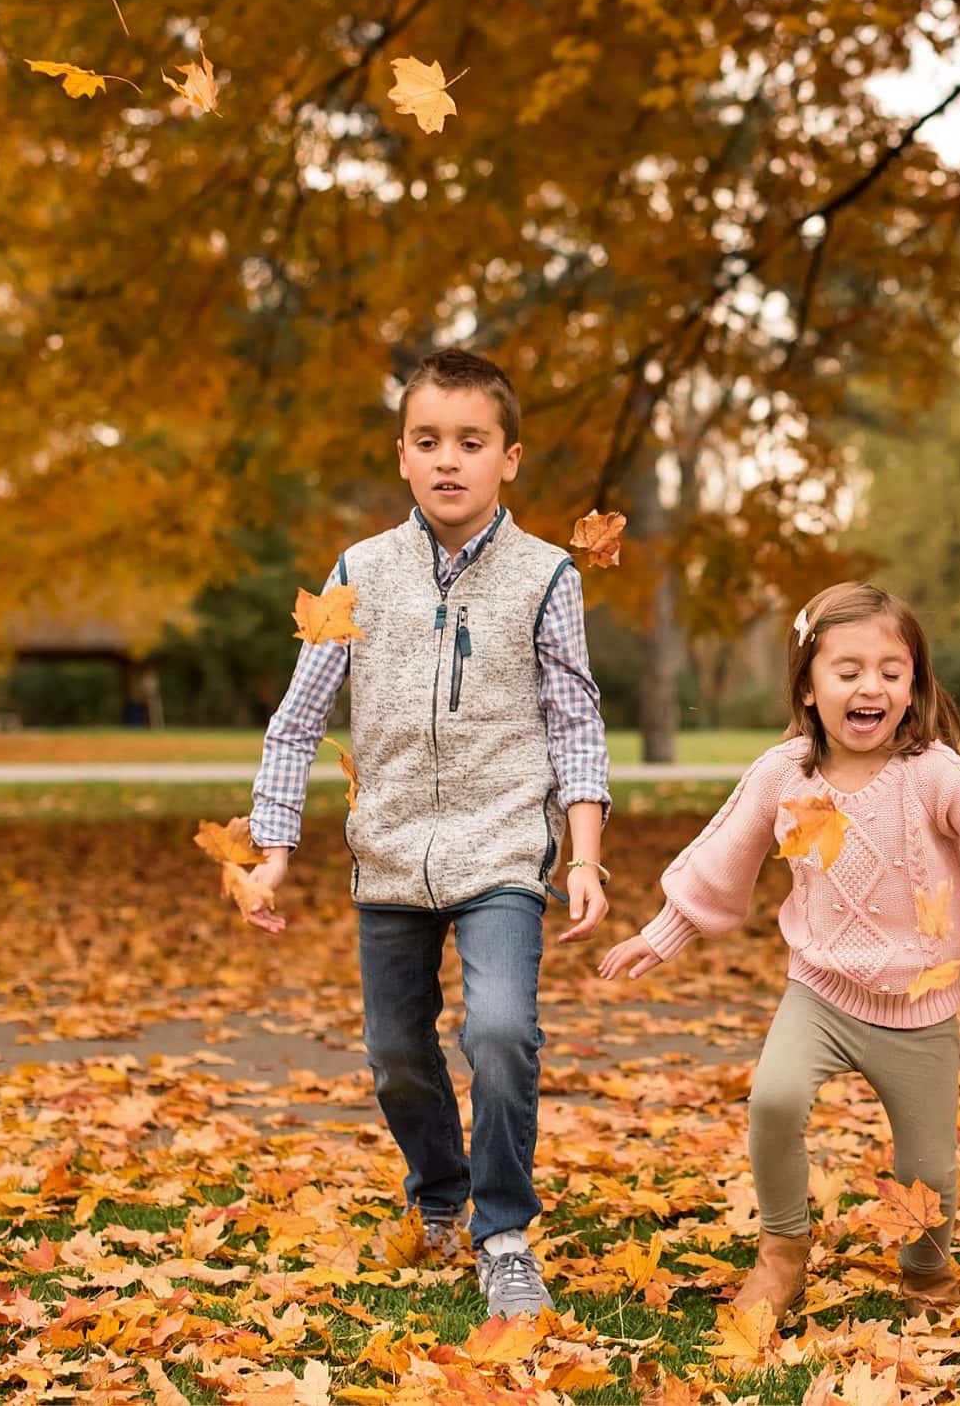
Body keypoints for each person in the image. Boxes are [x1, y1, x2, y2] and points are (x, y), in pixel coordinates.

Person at [597, 581, 960, 1320]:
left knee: (929, 1173)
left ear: (914, 687)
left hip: (919, 1008)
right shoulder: (784, 774)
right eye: (847, 669)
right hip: (818, 992)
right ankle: (783, 1251)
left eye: (891, 669)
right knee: (775, 1099)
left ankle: (924, 1276)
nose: (870, 685)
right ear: (809, 685)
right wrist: (663, 933)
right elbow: (723, 860)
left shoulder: (937, 775)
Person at [237, 347, 612, 1320]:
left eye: (471, 442)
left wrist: (586, 854)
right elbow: (299, 715)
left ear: (510, 458)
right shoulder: (360, 572)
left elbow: (575, 721)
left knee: (498, 1032)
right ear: (402, 455)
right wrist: (273, 847)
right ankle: (438, 1191)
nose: (449, 460)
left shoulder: (545, 576)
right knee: (397, 1055)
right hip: (391, 852)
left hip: (500, 851)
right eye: (428, 440)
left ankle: (503, 1230)